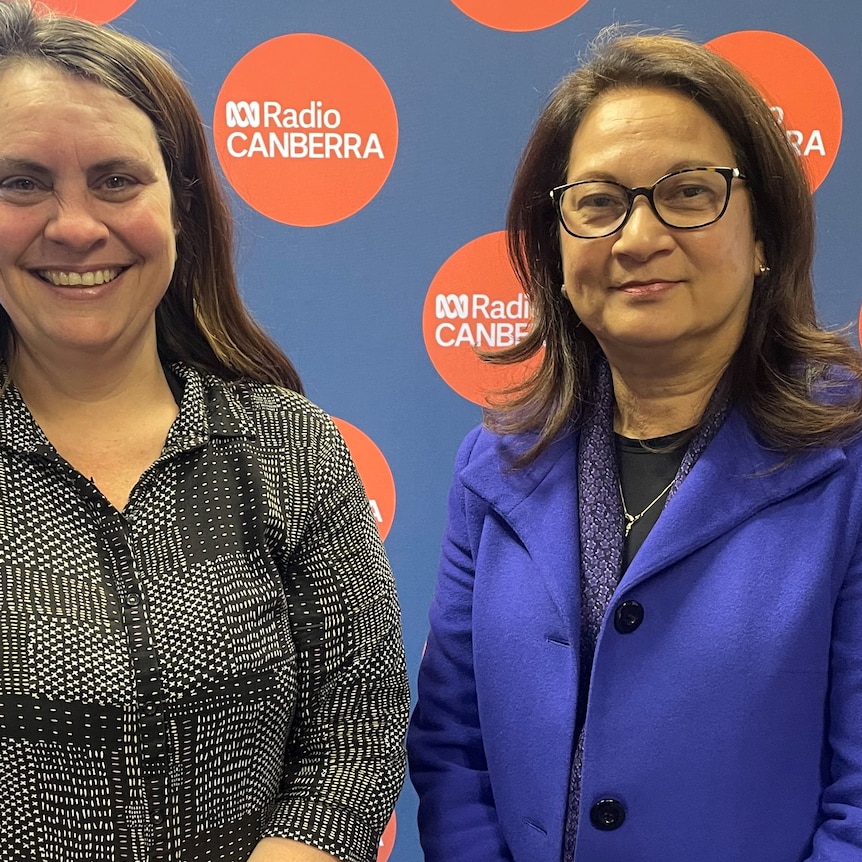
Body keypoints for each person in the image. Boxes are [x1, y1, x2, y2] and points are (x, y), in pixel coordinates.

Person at [407, 25, 862, 862]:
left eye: (689, 193)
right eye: (598, 203)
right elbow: (453, 746)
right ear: (556, 244)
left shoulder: (848, 457)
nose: (638, 237)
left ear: (763, 234)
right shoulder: (497, 463)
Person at [0, 2, 409, 860]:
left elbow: (357, 726)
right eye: (21, 182)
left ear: (180, 210)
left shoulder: (288, 446)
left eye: (116, 179)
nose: (75, 226)